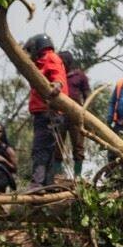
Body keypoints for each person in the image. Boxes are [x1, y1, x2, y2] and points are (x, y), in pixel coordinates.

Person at [24, 34, 67, 188]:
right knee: (47, 149)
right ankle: (47, 184)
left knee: (40, 148)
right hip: (43, 112)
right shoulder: (40, 62)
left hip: (48, 112)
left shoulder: (50, 58)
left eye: (31, 50)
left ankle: (37, 184)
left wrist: (57, 85)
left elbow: (58, 76)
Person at [60, 51, 90, 179]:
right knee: (57, 146)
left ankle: (77, 176)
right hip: (60, 115)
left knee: (78, 146)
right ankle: (58, 175)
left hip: (76, 116)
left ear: (68, 62)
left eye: (62, 62)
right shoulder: (58, 75)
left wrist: (85, 112)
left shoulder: (80, 76)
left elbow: (87, 94)